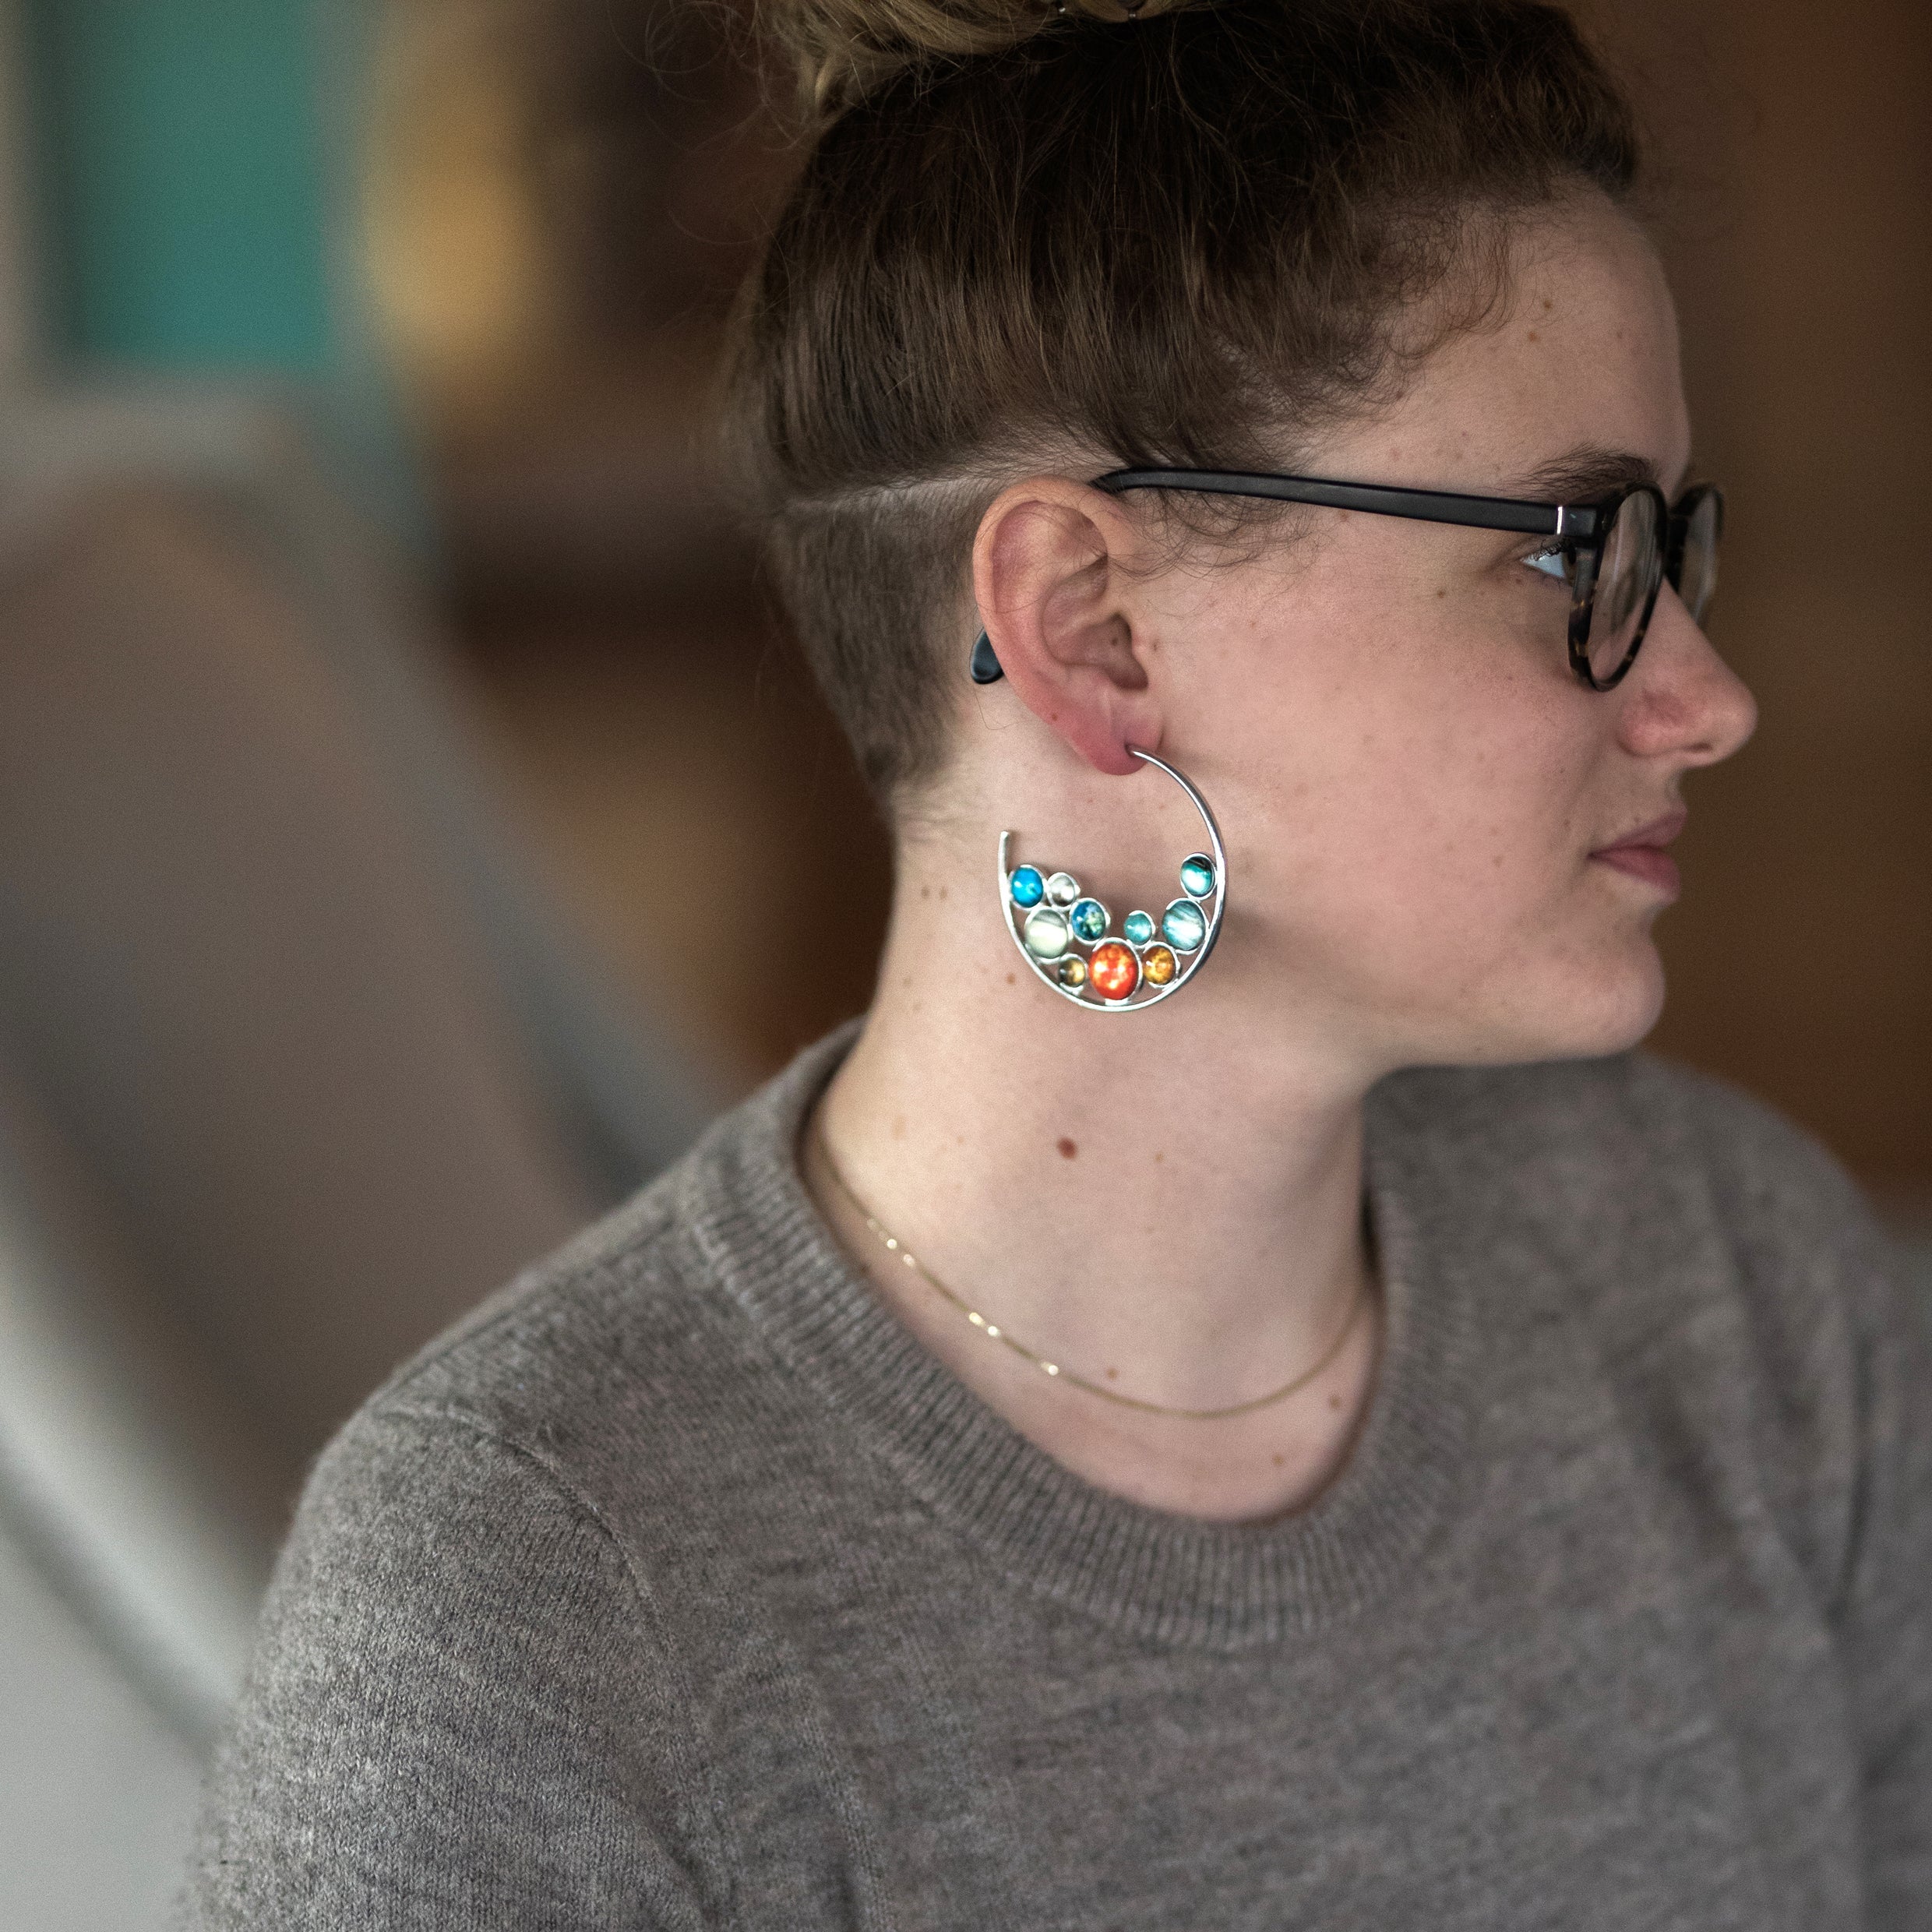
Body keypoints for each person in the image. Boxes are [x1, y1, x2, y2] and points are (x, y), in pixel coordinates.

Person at [182, 0, 1932, 1924]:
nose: (1707, 696)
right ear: (1091, 634)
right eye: (1570, 548)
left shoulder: (1733, 1297)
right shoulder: (531, 1634)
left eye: (1667, 544)